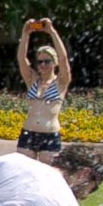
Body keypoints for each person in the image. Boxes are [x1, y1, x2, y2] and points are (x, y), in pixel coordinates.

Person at [16, 20, 72, 158]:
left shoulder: (61, 82)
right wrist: (25, 34)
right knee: (25, 173)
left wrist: (52, 32)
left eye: (47, 61)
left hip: (49, 134)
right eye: (40, 62)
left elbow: (64, 59)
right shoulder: (32, 80)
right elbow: (21, 59)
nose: (43, 65)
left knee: (48, 174)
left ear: (55, 63)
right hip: (28, 132)